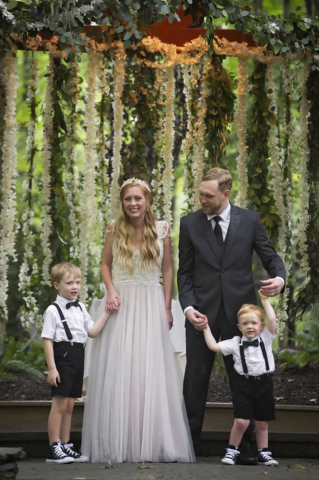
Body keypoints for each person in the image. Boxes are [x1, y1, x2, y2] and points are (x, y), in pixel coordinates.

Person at [81, 178, 195, 463]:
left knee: (149, 368)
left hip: (150, 303)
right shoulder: (113, 228)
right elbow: (105, 264)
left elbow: (168, 269)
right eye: (127, 199)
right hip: (121, 303)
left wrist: (168, 307)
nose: (132, 203)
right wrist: (110, 290)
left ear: (148, 201)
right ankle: (120, 441)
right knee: (121, 367)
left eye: (137, 198)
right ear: (122, 202)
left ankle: (151, 441)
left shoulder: (162, 229)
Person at [177, 167, 285, 462]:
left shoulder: (249, 220)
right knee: (195, 379)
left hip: (242, 317)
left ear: (226, 194)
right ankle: (189, 447)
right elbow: (184, 273)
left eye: (208, 195)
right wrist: (188, 309)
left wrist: (279, 278)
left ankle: (247, 449)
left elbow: (270, 256)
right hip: (202, 315)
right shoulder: (189, 224)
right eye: (200, 193)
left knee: (246, 379)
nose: (201, 199)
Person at [42, 262, 109, 464]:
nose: (74, 287)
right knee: (60, 403)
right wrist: (52, 368)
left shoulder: (80, 307)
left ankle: (65, 444)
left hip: (78, 354)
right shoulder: (53, 310)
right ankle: (54, 447)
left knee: (70, 404)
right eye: (69, 282)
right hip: (62, 355)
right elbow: (47, 340)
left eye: (78, 282)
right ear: (56, 285)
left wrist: (107, 312)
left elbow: (93, 331)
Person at [203, 290, 279, 466]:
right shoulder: (235, 343)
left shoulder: (266, 338)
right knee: (241, 421)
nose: (250, 326)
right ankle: (232, 450)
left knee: (262, 423)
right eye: (245, 323)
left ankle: (264, 453)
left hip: (264, 384)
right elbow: (214, 346)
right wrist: (206, 327)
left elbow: (273, 320)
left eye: (254, 323)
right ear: (239, 327)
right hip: (243, 385)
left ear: (261, 325)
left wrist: (264, 300)